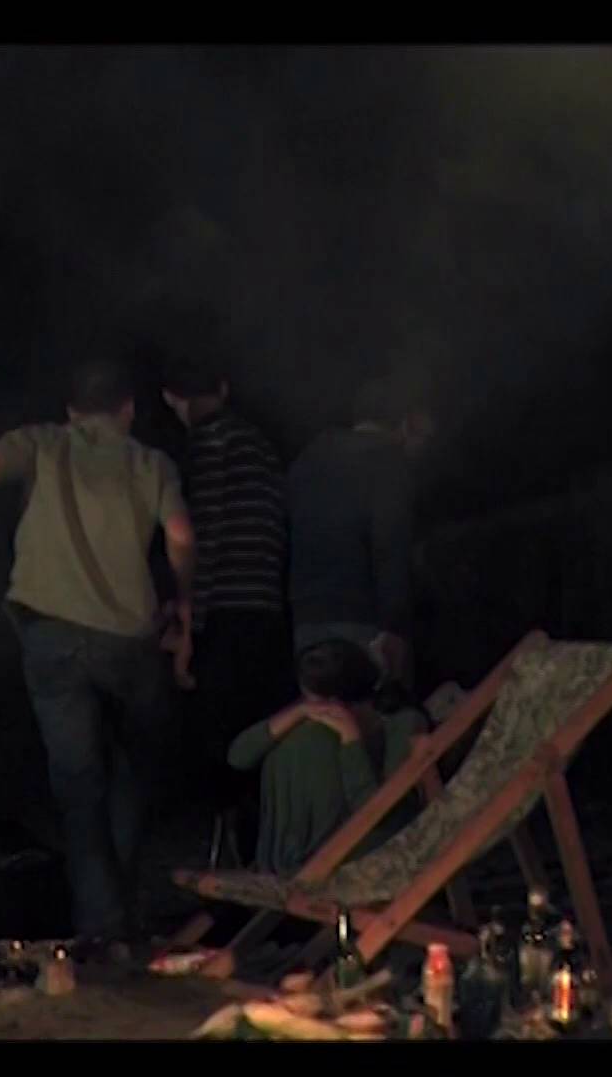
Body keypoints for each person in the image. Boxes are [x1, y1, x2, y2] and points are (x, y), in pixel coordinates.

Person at [0, 358, 196, 950]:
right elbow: (182, 536)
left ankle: (100, 925)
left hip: (51, 635)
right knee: (132, 771)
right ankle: (125, 908)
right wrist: (187, 602)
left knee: (78, 785)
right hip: (130, 641)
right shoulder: (151, 463)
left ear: (70, 410)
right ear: (128, 410)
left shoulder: (40, 443)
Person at [160, 356, 292, 859]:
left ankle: (233, 862)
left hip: (224, 617)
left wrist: (188, 624)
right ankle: (268, 856)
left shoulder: (207, 448)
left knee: (224, 747)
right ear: (223, 388)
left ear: (173, 398)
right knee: (260, 740)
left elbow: (205, 539)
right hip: (265, 610)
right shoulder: (260, 446)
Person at [226, 639, 428, 874]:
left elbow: (379, 813)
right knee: (298, 742)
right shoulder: (314, 720)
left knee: (310, 741)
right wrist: (299, 712)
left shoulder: (401, 724)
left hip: (369, 846)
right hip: (306, 856)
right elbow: (238, 757)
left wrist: (351, 742)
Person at [286, 374, 433, 687]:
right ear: (405, 424)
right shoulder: (389, 464)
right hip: (365, 621)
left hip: (307, 621)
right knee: (379, 711)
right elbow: (390, 545)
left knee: (324, 712)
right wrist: (394, 626)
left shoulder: (306, 463)